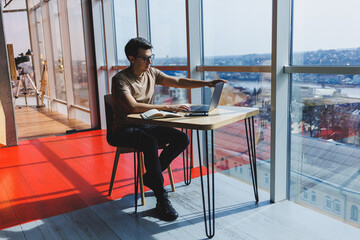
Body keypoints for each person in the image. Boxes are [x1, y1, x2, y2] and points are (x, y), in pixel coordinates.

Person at [111, 37, 226, 221]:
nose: (150, 61)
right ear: (131, 59)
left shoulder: (152, 72)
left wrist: (207, 84)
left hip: (146, 124)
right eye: (145, 58)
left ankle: (151, 177)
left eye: (151, 57)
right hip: (125, 129)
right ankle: (161, 198)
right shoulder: (120, 79)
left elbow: (178, 81)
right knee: (150, 142)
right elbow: (132, 107)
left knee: (182, 139)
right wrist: (167, 108)